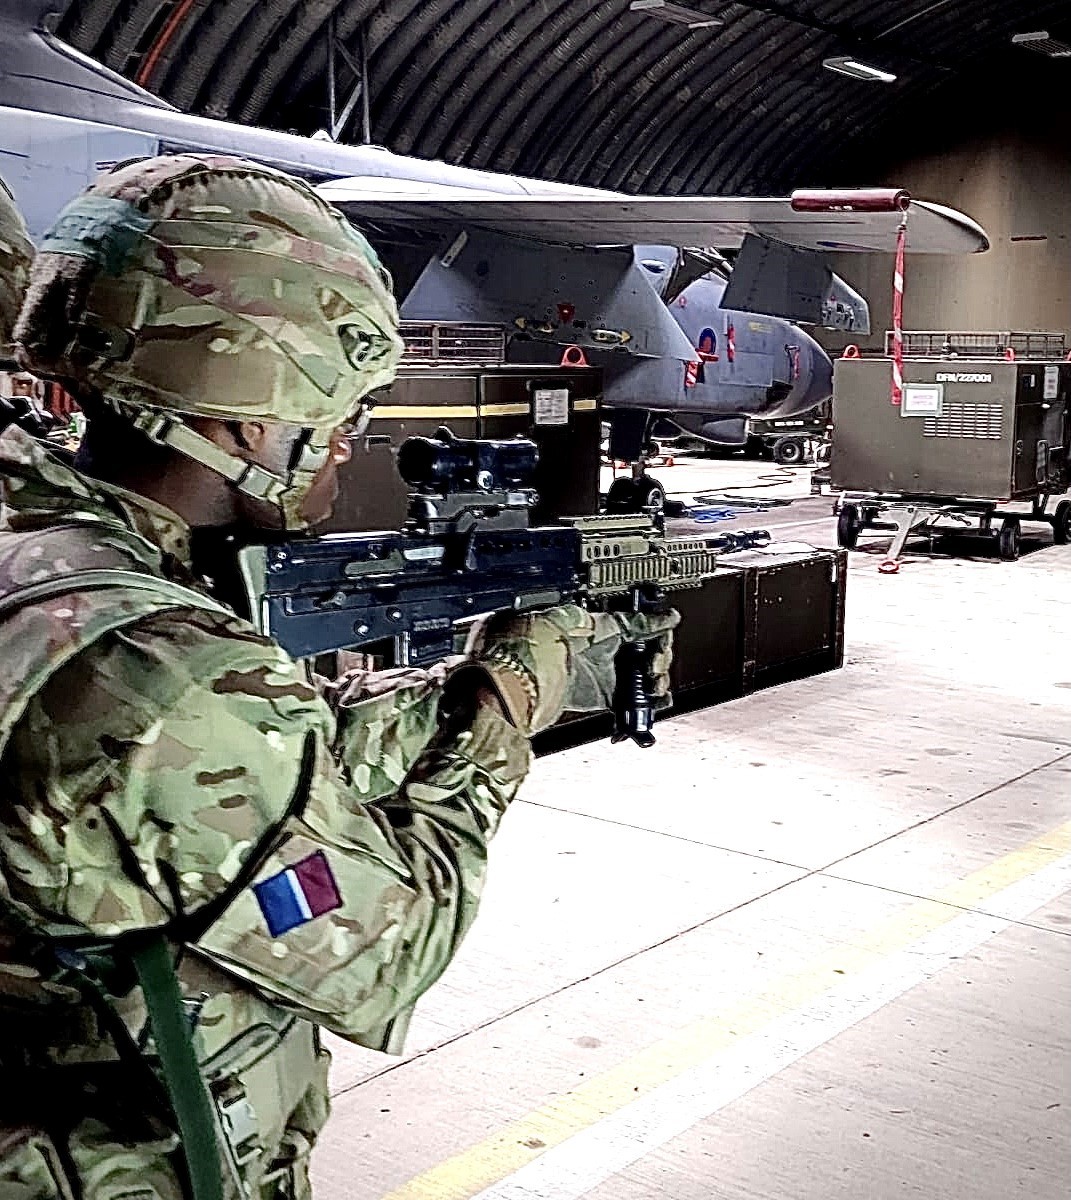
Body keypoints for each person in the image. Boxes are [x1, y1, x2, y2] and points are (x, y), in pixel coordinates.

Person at [0, 155, 677, 1200]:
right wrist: (508, 710)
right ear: (237, 418)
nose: (348, 446)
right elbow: (389, 952)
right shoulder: (163, 676)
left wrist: (449, 692)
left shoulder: (46, 544)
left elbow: (233, 766)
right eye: (345, 413)